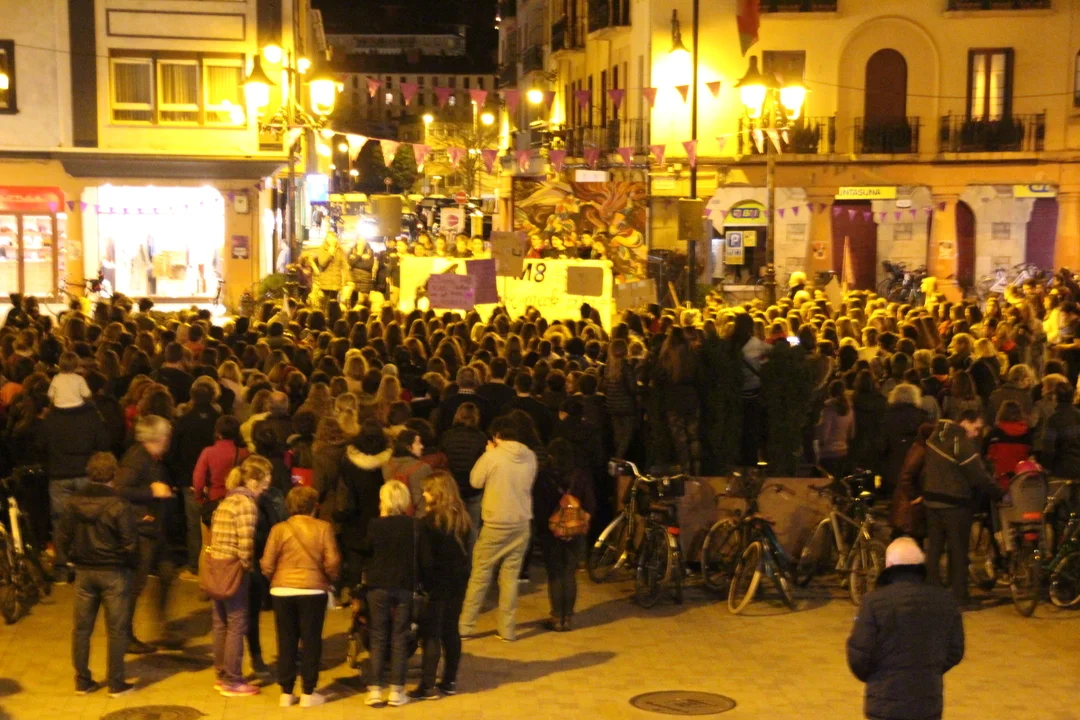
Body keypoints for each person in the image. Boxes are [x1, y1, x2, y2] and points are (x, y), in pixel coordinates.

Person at [847, 538, 964, 720]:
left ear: (889, 565)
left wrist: (877, 677)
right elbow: (955, 650)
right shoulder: (945, 600)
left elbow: (859, 655)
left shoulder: (873, 602)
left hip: (884, 703)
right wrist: (929, 670)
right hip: (927, 702)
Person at [54, 452, 138, 698]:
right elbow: (130, 543)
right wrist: (128, 564)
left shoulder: (73, 502)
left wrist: (68, 560)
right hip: (113, 571)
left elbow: (62, 536)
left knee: (82, 629)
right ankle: (116, 682)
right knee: (116, 630)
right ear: (113, 474)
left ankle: (82, 681)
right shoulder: (119, 505)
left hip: (84, 572)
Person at [261, 485, 341, 708]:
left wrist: (276, 577)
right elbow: (332, 561)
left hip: (282, 590)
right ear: (314, 506)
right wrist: (330, 578)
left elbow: (267, 563)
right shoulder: (323, 528)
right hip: (313, 590)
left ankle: (286, 692)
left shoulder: (279, 529)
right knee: (311, 641)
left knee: (286, 640)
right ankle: (308, 691)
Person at [458, 416, 538, 642]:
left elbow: (475, 481)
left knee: (480, 575)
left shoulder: (492, 456)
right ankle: (507, 629)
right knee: (510, 578)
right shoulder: (530, 456)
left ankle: (465, 626)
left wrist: (488, 453)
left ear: (497, 436)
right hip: (521, 523)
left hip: (495, 523)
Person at [207, 455, 272, 698]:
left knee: (220, 623)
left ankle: (221, 673)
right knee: (237, 623)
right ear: (254, 481)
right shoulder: (246, 505)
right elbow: (246, 545)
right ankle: (233, 680)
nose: (266, 488)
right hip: (233, 569)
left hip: (216, 567)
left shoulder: (226, 501)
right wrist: (247, 567)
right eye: (265, 482)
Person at [920, 410, 1000, 606]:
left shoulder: (936, 436)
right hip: (955, 503)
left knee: (935, 549)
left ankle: (931, 593)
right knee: (958, 551)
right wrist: (999, 494)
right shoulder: (960, 443)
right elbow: (978, 476)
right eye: (976, 428)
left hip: (931, 500)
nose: (976, 434)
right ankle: (960, 597)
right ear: (965, 422)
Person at [113, 415, 175, 654]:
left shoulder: (153, 458)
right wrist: (151, 492)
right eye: (166, 435)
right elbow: (120, 489)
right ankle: (125, 636)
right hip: (141, 531)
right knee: (135, 585)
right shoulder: (137, 458)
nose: (169, 439)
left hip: (154, 529)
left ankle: (163, 628)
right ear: (158, 437)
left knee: (167, 572)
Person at [410, 472, 471, 700]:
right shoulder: (461, 517)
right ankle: (450, 680)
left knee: (431, 634)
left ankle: (427, 686)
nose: (424, 494)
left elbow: (426, 560)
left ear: (437, 493)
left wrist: (422, 583)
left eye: (427, 490)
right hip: (458, 580)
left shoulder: (428, 522)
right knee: (451, 629)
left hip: (436, 582)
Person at [362, 480, 422, 708]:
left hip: (378, 585)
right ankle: (397, 690)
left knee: (378, 635)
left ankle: (375, 689)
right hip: (404, 585)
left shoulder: (375, 525)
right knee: (399, 636)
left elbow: (367, 550)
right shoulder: (414, 525)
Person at [534, 438, 595, 632]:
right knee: (569, 573)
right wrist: (578, 522)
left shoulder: (544, 476)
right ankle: (567, 617)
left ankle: (556, 617)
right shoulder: (580, 475)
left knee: (555, 573)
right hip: (575, 532)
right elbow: (591, 503)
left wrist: (549, 526)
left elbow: (538, 506)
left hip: (550, 532)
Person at [337, 419, 391, 589]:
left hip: (354, 515)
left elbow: (344, 487)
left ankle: (353, 590)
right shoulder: (388, 459)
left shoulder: (348, 458)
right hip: (380, 513)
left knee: (355, 555)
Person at [437, 403, 488, 549]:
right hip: (473, 488)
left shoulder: (446, 436)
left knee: (451, 527)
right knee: (473, 529)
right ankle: (471, 560)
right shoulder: (481, 437)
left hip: (452, 488)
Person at [382, 428, 433, 514]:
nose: (422, 446)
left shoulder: (386, 466)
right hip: (419, 514)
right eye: (418, 443)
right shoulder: (423, 468)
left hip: (393, 514)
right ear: (408, 448)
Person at [817, 379, 855, 479]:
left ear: (830, 392)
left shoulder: (828, 409)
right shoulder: (849, 409)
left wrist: (820, 443)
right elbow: (851, 433)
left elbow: (824, 433)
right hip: (843, 451)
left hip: (828, 453)